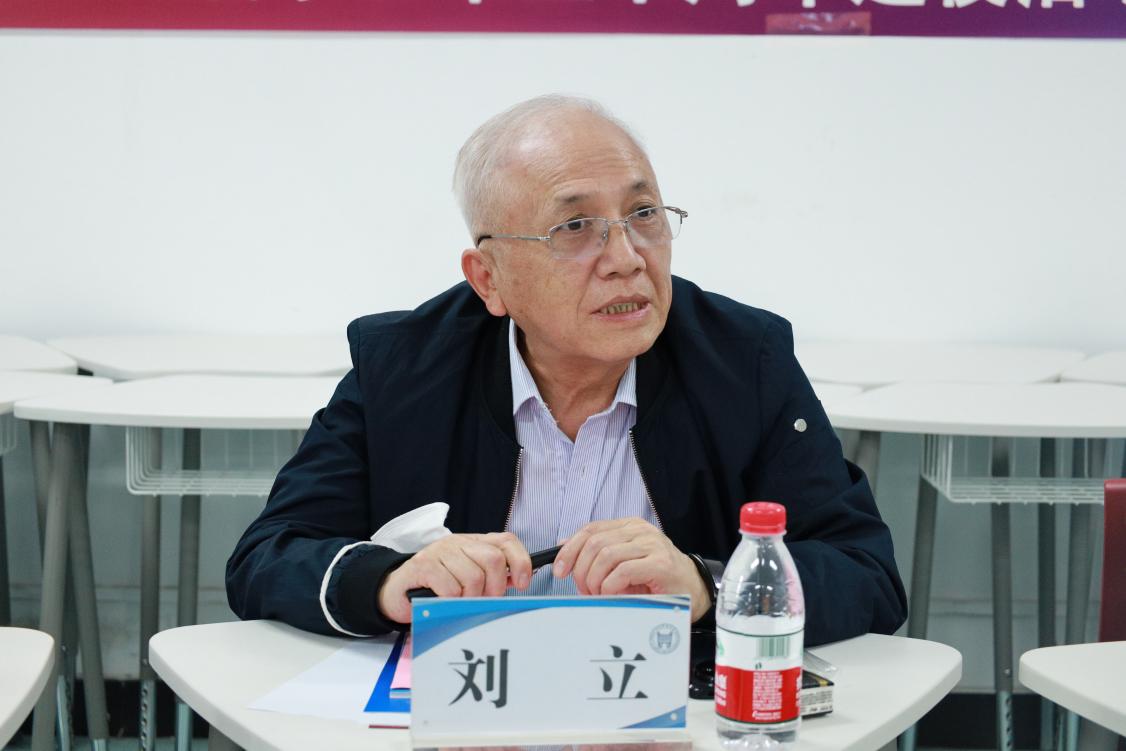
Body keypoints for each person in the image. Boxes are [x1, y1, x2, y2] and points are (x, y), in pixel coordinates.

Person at [226, 95, 907, 646]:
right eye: (575, 228)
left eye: (644, 214)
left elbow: (865, 572)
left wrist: (709, 586)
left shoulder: (744, 361)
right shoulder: (402, 367)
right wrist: (386, 582)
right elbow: (269, 554)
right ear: (488, 278)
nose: (627, 258)